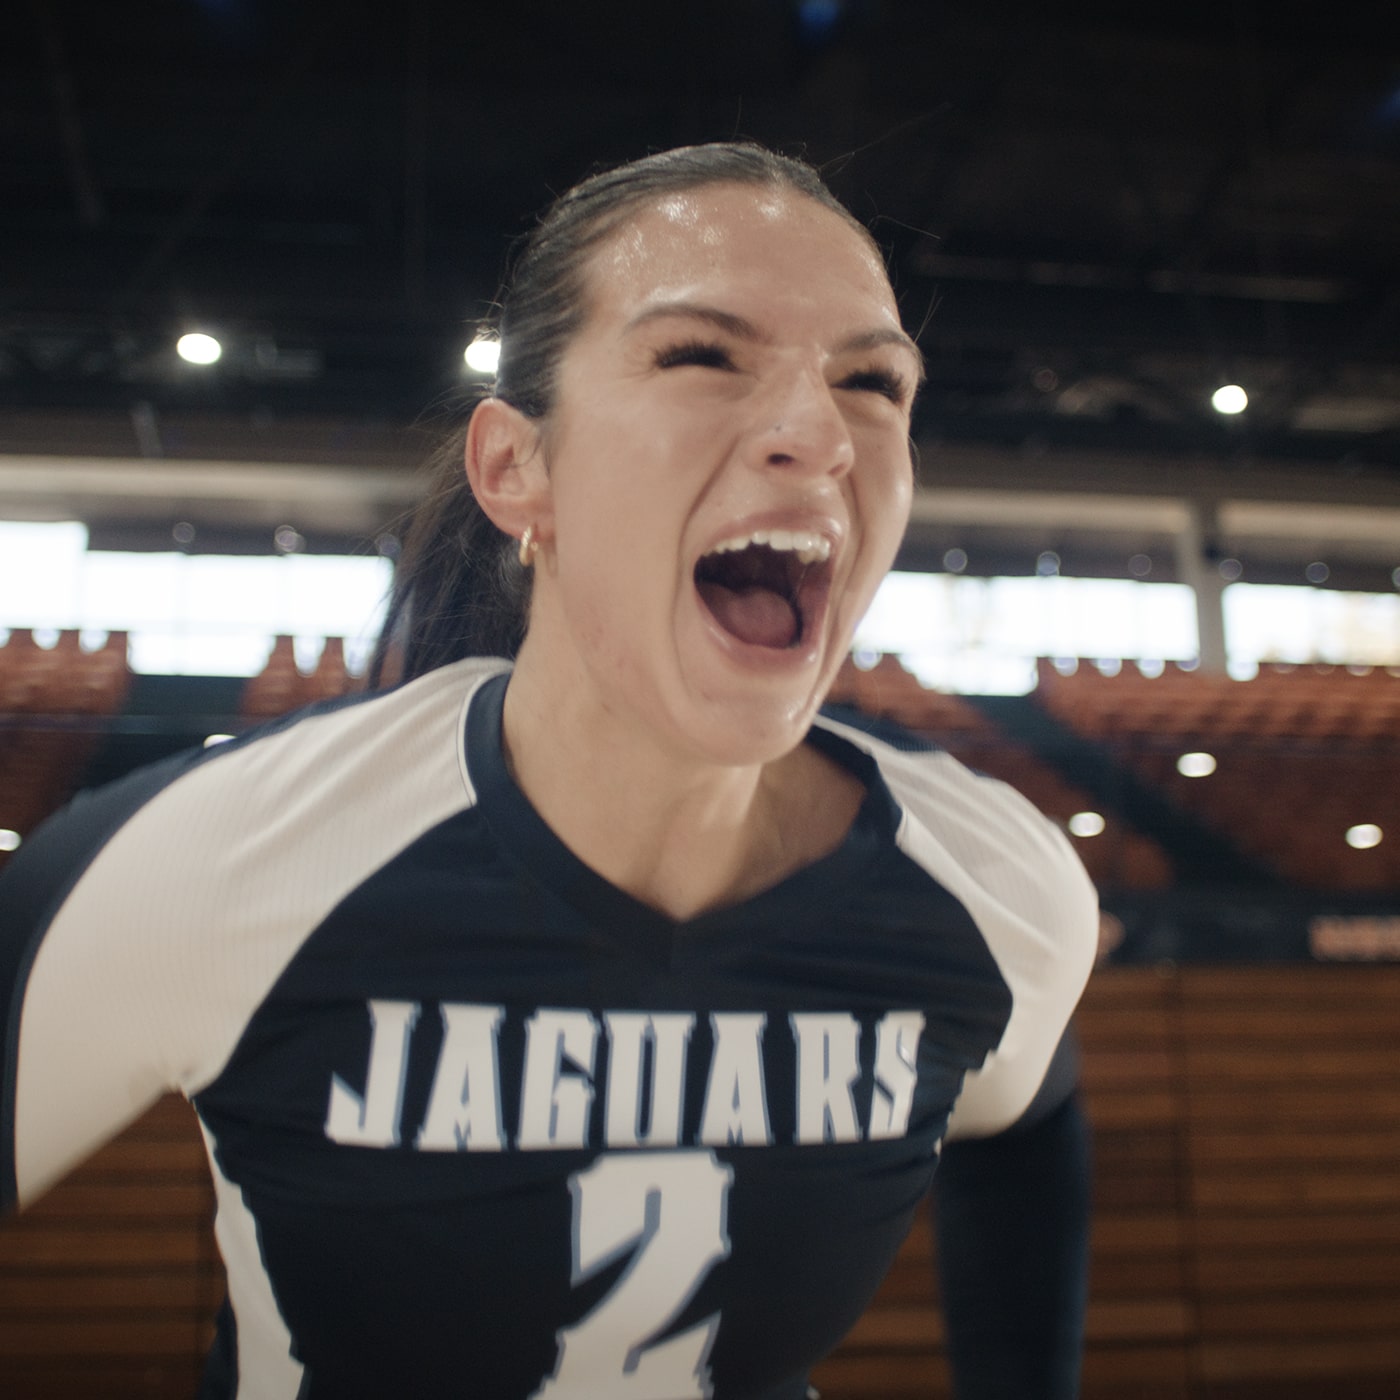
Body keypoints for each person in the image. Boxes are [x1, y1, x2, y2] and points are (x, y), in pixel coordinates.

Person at [0, 142, 1097, 1399]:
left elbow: (1028, 1124)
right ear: (516, 469)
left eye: (872, 381)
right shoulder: (219, 857)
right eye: (701, 355)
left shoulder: (995, 890)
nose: (820, 432)